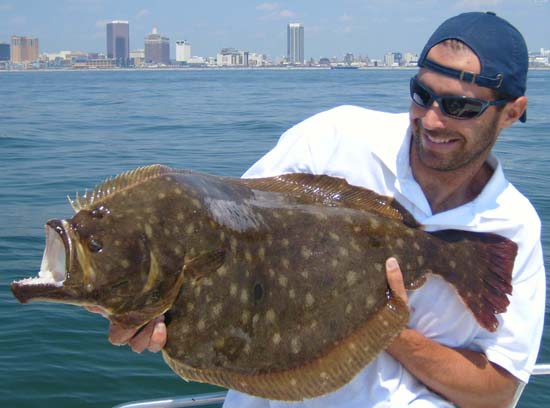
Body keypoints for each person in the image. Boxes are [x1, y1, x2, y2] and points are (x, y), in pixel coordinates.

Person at [100, 11, 546, 408]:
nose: (431, 119)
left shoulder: (511, 226)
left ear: (510, 113)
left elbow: (497, 394)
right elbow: (227, 230)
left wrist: (381, 325)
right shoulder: (334, 138)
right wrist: (161, 307)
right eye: (422, 94)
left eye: (459, 107)